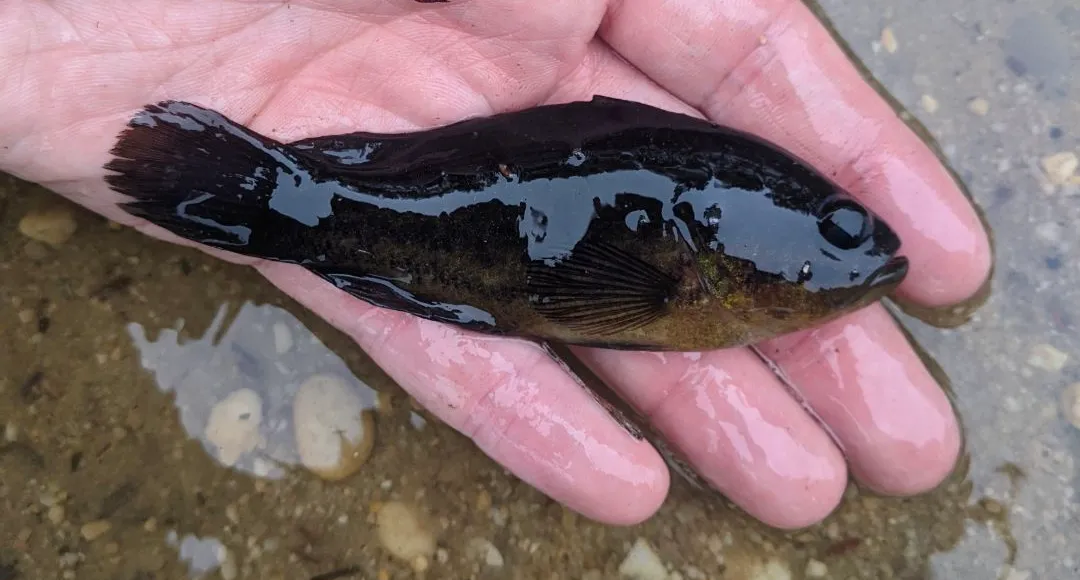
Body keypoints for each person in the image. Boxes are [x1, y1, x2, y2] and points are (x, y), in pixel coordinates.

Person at [0, 0, 991, 529]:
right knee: (328, 212)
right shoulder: (693, 277)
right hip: (433, 209)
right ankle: (279, 197)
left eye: (838, 235)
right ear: (728, 266)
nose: (856, 252)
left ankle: (284, 198)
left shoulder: (706, 259)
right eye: (834, 232)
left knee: (338, 215)